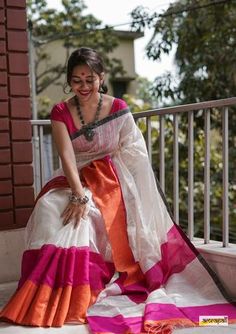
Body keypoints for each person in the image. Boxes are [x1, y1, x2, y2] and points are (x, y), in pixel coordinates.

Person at [0, 47, 236, 333]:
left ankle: (80, 294)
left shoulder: (118, 108)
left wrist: (125, 193)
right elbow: (67, 157)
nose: (83, 86)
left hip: (114, 181)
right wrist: (78, 193)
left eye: (90, 79)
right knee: (50, 208)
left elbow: (134, 155)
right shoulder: (61, 111)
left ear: (101, 77)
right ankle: (46, 294)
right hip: (74, 179)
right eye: (77, 80)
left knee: (88, 217)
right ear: (69, 81)